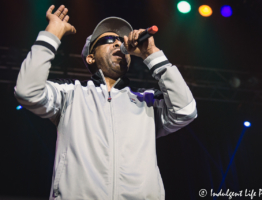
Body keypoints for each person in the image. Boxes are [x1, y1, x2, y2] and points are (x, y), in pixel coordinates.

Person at [14, 4, 197, 200]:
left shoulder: (147, 101)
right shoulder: (71, 94)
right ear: (91, 57)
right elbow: (27, 91)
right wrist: (51, 34)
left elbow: (186, 110)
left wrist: (151, 54)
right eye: (109, 39)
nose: (118, 44)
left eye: (121, 40)